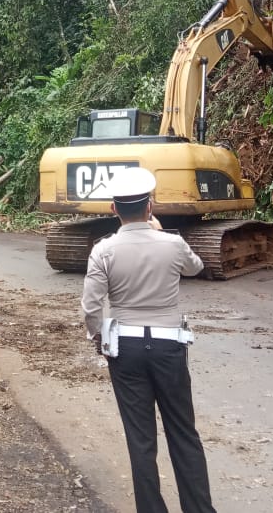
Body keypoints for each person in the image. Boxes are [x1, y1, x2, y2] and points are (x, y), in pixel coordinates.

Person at [80, 167, 216, 513]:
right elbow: (196, 267)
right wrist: (160, 233)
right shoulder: (172, 244)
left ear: (113, 209)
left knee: (140, 439)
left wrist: (98, 337)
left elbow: (91, 307)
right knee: (184, 433)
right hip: (170, 346)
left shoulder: (103, 251)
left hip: (125, 348)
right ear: (150, 206)